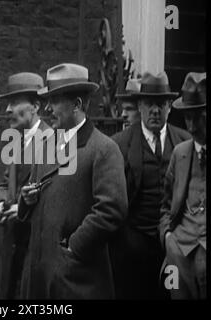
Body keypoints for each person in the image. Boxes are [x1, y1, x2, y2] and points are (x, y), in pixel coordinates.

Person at [18, 63, 128, 299]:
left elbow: (112, 209)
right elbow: (33, 188)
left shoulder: (103, 149)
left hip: (76, 279)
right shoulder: (47, 145)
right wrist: (26, 199)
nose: (47, 108)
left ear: (77, 105)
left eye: (55, 100)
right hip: (40, 275)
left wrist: (74, 247)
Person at [110, 71, 191, 299]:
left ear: (169, 107)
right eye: (149, 104)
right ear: (140, 106)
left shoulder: (184, 142)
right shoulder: (120, 144)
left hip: (173, 247)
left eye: (161, 104)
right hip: (133, 246)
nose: (155, 110)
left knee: (170, 293)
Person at [0, 72, 53, 299]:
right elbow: (5, 182)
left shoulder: (51, 140)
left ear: (36, 106)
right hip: (14, 240)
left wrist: (23, 209)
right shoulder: (18, 139)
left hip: (34, 243)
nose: (8, 110)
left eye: (15, 103)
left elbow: (53, 193)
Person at [159, 72, 206, 299]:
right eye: (188, 117)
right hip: (179, 256)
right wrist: (168, 237)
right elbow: (166, 206)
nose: (193, 126)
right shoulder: (180, 154)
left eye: (200, 117)